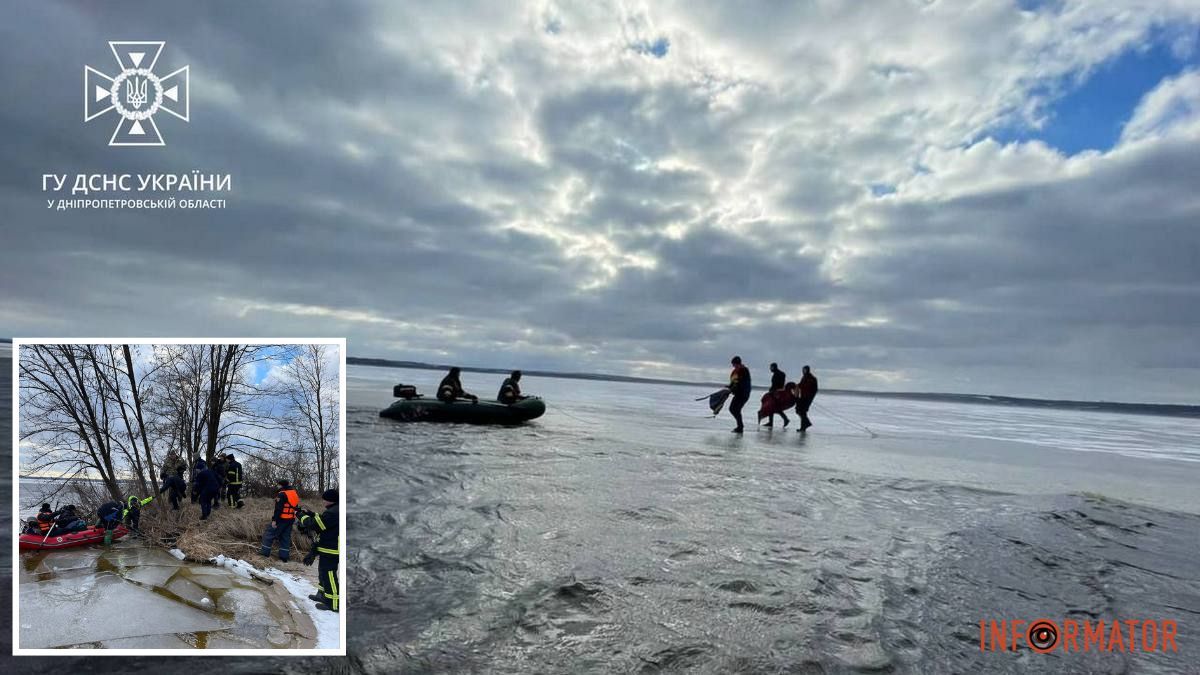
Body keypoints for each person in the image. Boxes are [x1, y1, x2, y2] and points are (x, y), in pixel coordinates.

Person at [300, 488, 340, 612]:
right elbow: (323, 520)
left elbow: (316, 525)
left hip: (331, 550)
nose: (323, 501)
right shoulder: (334, 510)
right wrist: (312, 514)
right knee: (323, 573)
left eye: (325, 499)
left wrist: (302, 517)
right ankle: (322, 595)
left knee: (329, 576)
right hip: (327, 548)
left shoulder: (333, 512)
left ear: (330, 500)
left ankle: (334, 603)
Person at [260, 479, 300, 562]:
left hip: (281, 519)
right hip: (290, 519)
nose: (277, 486)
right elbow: (296, 507)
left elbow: (278, 509)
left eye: (278, 485)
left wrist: (275, 520)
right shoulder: (294, 493)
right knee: (285, 537)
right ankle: (284, 557)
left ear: (281, 485)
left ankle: (264, 553)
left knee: (269, 534)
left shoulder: (282, 494)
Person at [728, 356, 752, 433]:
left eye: (733, 364)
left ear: (736, 363)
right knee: (732, 409)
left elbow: (742, 383)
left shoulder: (744, 370)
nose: (733, 366)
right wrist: (730, 387)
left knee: (735, 409)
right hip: (738, 393)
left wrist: (734, 389)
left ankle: (740, 427)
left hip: (743, 394)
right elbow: (734, 382)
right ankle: (740, 426)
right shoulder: (736, 371)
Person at [764, 362, 790, 428]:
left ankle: (784, 419)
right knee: (773, 407)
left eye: (771, 367)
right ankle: (773, 421)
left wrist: (773, 390)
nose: (770, 369)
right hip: (777, 392)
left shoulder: (777, 374)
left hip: (776, 393)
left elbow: (777, 384)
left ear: (774, 367)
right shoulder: (780, 373)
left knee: (773, 407)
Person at [796, 365, 819, 432]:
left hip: (807, 398)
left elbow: (815, 389)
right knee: (799, 411)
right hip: (802, 396)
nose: (803, 371)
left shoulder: (812, 378)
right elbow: (801, 385)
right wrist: (796, 386)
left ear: (808, 370)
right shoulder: (804, 377)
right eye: (803, 370)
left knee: (802, 411)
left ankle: (804, 426)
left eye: (805, 370)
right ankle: (805, 425)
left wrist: (810, 398)